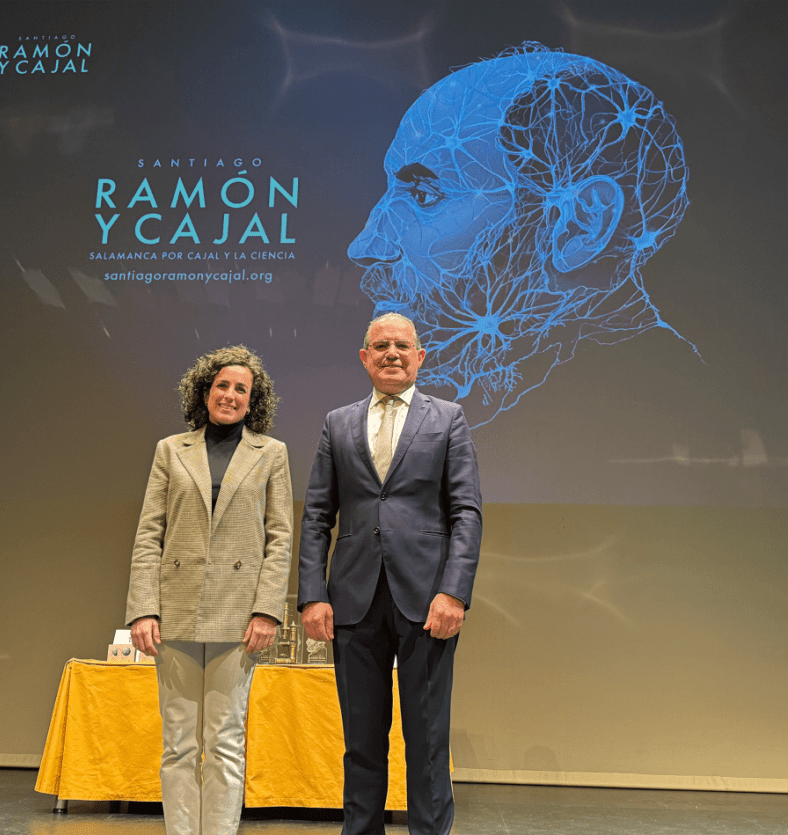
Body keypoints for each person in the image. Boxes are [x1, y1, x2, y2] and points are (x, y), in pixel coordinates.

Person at [349, 42, 696, 424]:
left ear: (581, 224)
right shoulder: (493, 406)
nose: (364, 246)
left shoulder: (660, 423)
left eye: (424, 194)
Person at [298, 312, 482, 835]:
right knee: (360, 742)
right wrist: (312, 594)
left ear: (420, 356)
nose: (392, 354)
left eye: (402, 345)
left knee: (427, 741)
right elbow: (316, 515)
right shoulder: (337, 423)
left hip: (427, 602)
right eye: (380, 346)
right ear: (365, 357)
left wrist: (454, 593)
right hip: (353, 601)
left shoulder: (448, 418)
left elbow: (466, 513)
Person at [126, 345, 292, 835]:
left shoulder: (272, 454)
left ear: (253, 401)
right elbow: (149, 534)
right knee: (178, 744)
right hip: (174, 609)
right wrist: (143, 609)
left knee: (224, 742)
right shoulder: (170, 449)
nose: (230, 395)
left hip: (238, 615)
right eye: (222, 385)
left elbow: (280, 539)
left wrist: (267, 610)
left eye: (241, 389)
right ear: (204, 391)